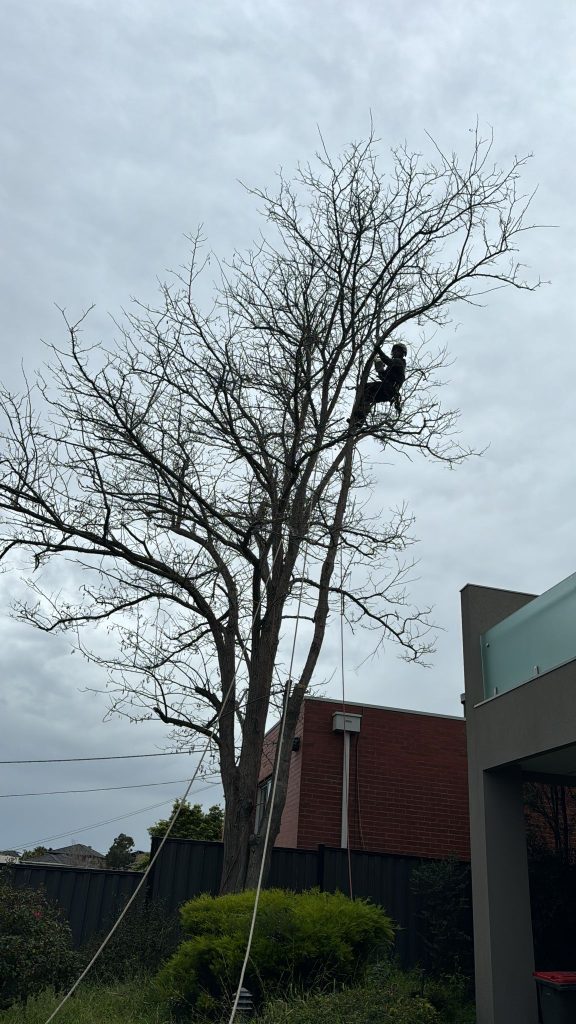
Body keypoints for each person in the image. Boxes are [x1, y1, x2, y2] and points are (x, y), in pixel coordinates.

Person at [351, 341, 407, 425]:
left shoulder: (399, 362)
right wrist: (380, 370)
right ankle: (360, 419)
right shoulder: (393, 367)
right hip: (387, 392)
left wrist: (379, 351)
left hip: (388, 389)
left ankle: (361, 414)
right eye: (394, 350)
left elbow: (389, 361)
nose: (395, 352)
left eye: (398, 351)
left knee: (365, 387)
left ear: (402, 353)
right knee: (368, 396)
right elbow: (385, 377)